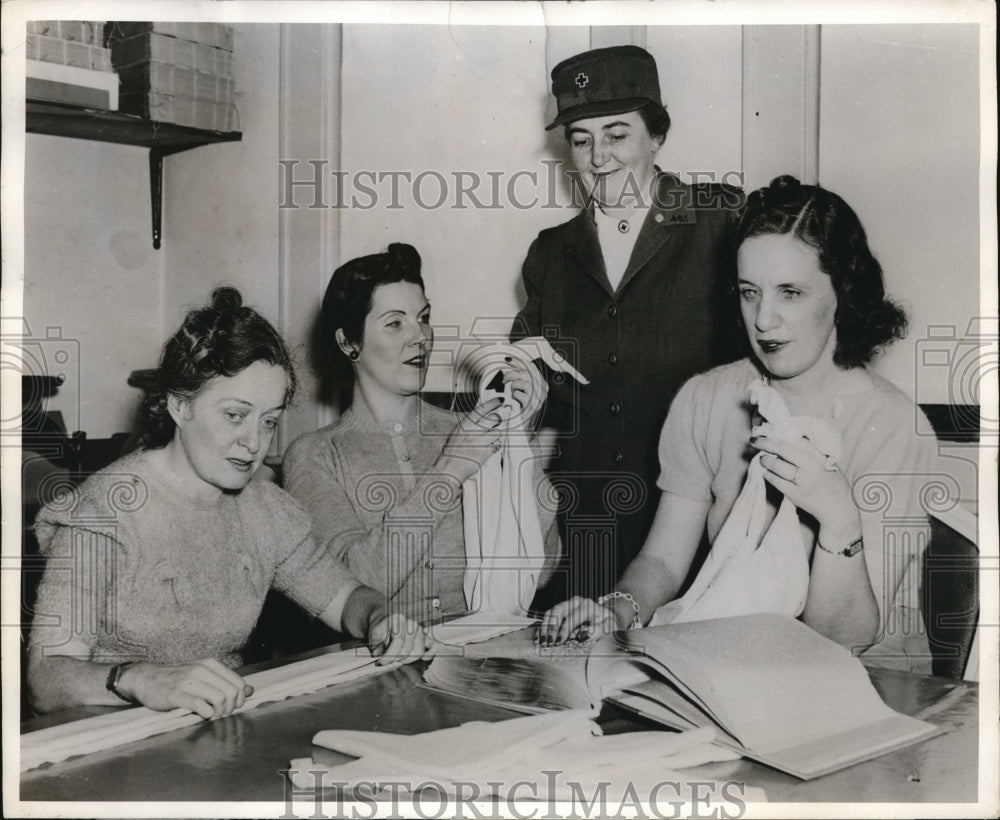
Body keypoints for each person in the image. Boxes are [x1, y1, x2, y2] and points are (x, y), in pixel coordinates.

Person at [539, 176, 943, 673]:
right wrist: (616, 609)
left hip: (871, 682)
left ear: (843, 292)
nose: (764, 319)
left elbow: (843, 641)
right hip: (742, 665)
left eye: (790, 293)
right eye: (750, 293)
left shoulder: (895, 424)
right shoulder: (707, 398)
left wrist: (839, 520)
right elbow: (663, 562)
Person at [27, 288, 427, 719]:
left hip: (217, 726)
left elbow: (346, 597)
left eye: (269, 421)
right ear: (180, 405)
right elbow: (44, 677)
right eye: (235, 415)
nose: (253, 443)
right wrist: (139, 678)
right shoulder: (103, 513)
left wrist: (381, 617)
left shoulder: (265, 510)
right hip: (109, 737)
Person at [512, 45, 743, 607]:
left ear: (657, 136)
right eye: (582, 139)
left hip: (704, 528)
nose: (598, 157)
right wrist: (512, 376)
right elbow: (525, 383)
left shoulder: (720, 224)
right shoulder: (551, 253)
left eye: (617, 135)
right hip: (589, 529)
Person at [284, 243, 558, 624]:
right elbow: (349, 583)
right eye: (395, 323)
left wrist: (519, 443)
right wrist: (449, 472)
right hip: (382, 663)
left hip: (483, 649)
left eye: (423, 317)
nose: (421, 337)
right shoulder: (316, 454)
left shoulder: (468, 429)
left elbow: (540, 569)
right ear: (348, 342)